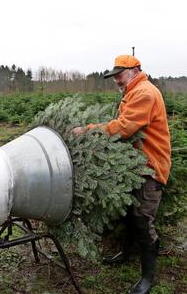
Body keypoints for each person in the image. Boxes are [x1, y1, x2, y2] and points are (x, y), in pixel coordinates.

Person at [72, 54, 171, 294]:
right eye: (114, 76)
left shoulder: (145, 93)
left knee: (142, 220)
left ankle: (148, 277)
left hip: (150, 166)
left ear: (136, 71)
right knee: (128, 214)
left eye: (120, 74)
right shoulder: (133, 91)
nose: (116, 79)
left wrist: (88, 131)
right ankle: (126, 255)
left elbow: (125, 127)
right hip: (134, 165)